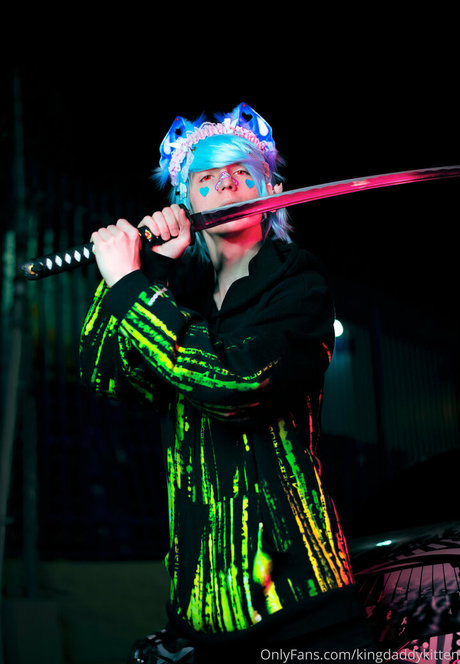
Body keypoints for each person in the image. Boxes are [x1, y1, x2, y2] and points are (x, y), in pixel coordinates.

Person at [79, 103, 374, 663]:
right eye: (207, 179)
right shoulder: (179, 300)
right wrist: (149, 272)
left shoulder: (299, 286)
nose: (227, 184)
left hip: (299, 607)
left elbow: (237, 387)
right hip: (203, 616)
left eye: (242, 172)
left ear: (272, 191)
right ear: (184, 203)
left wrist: (132, 287)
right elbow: (105, 377)